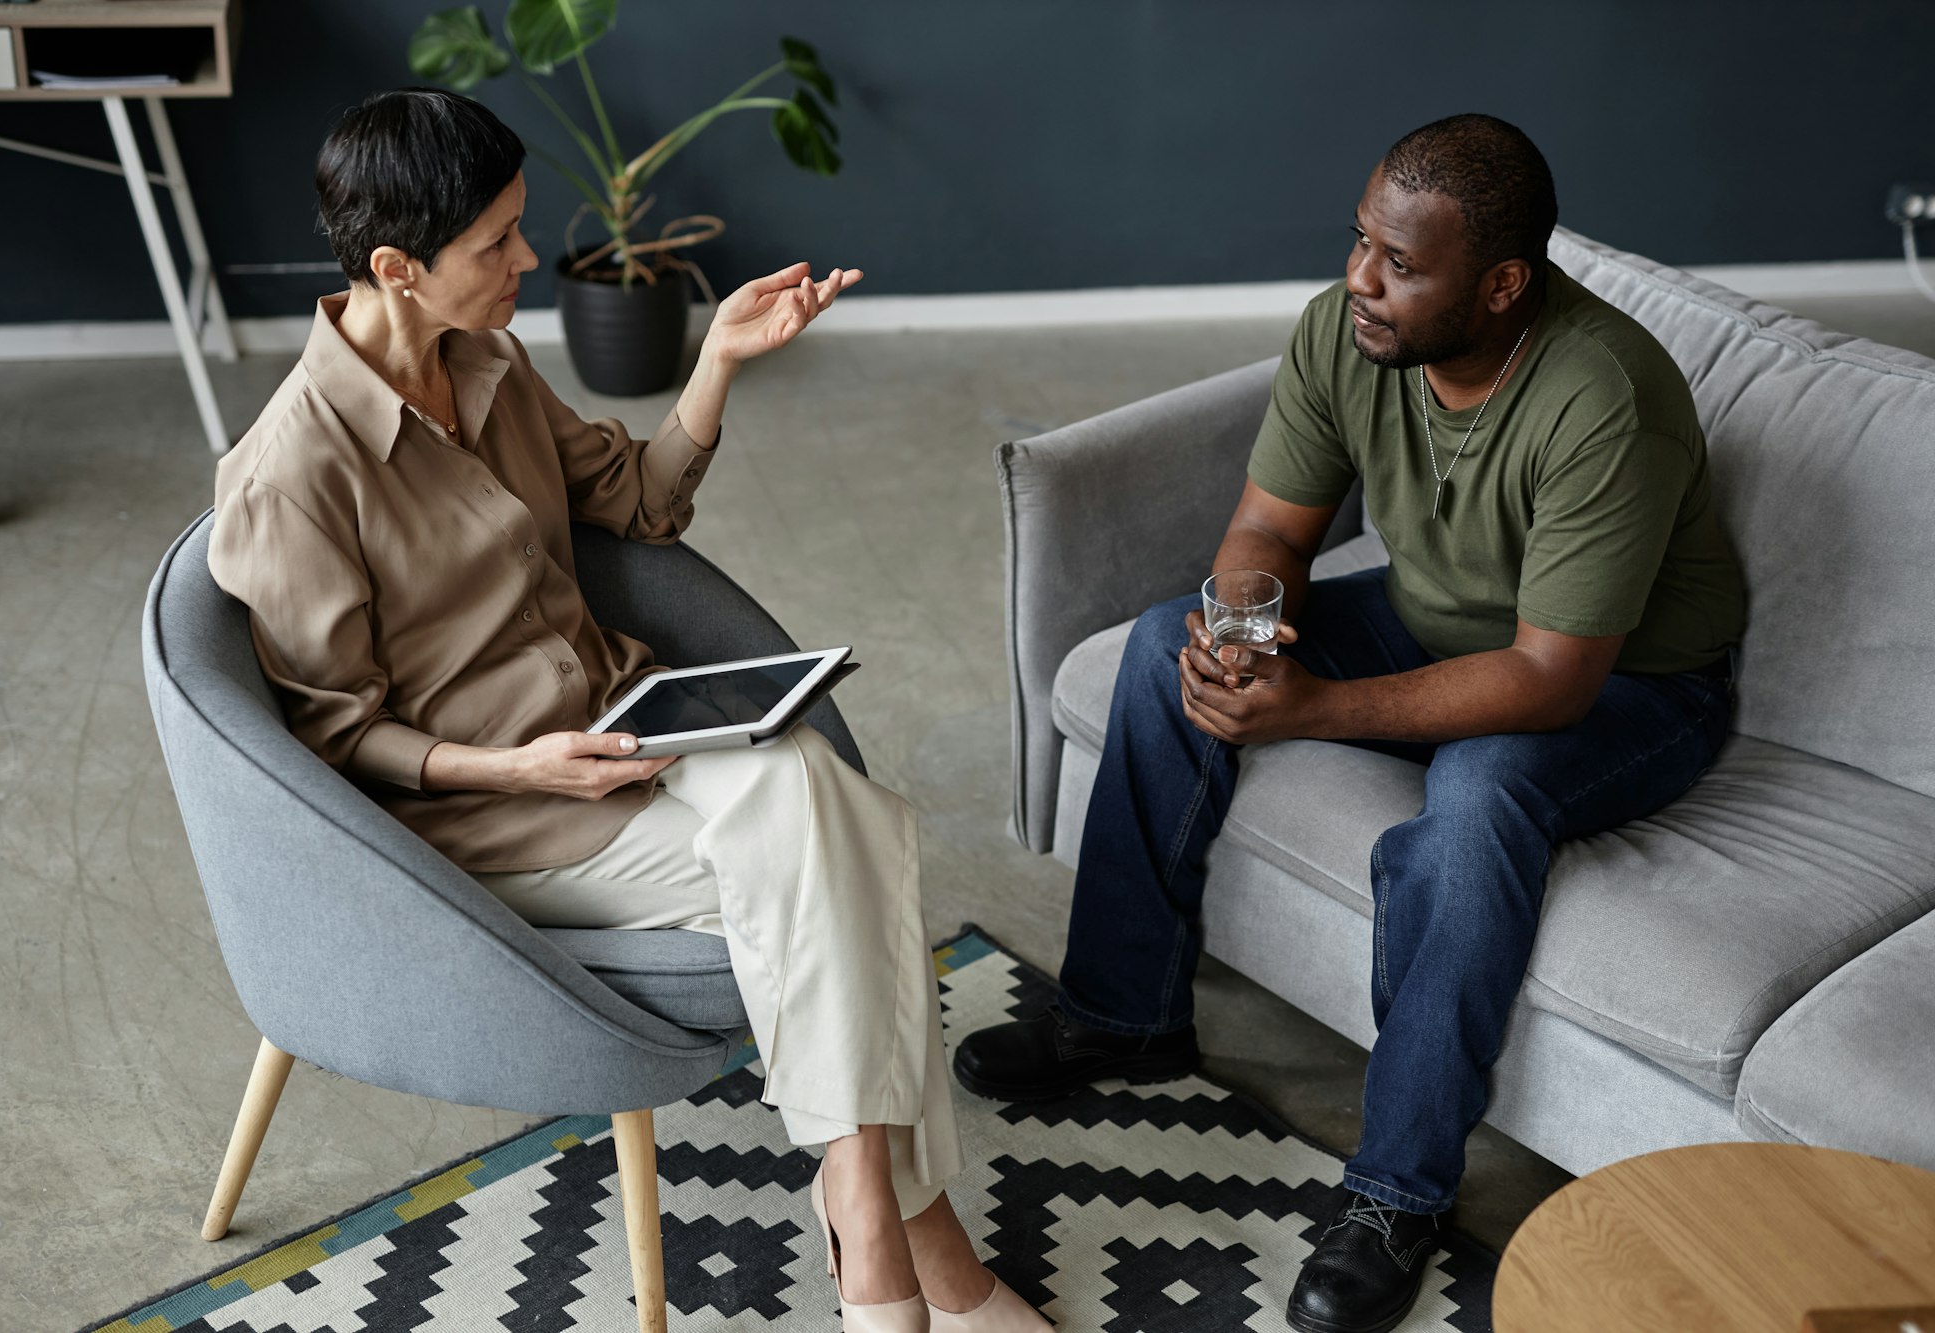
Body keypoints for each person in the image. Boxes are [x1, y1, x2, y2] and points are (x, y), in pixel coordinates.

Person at [208, 88, 1048, 1333]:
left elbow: (637, 504)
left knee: (823, 807)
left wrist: (717, 361)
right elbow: (331, 738)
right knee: (848, 842)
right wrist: (518, 772)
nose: (525, 262)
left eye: (516, 227)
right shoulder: (293, 473)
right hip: (489, 822)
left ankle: (869, 1208)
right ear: (395, 266)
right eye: (493, 243)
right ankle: (901, 1239)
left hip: (620, 731)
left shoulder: (486, 361)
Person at [955, 113, 1745, 1333]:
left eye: (1399, 264)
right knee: (1170, 638)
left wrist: (1313, 707)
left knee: (1479, 797)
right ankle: (1125, 1014)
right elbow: (1270, 530)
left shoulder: (1601, 397)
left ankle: (1393, 1194)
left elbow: (1547, 678)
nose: (1359, 280)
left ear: (1499, 284)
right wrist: (1240, 626)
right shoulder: (1348, 332)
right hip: (1436, 622)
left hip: (1632, 682)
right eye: (1358, 242)